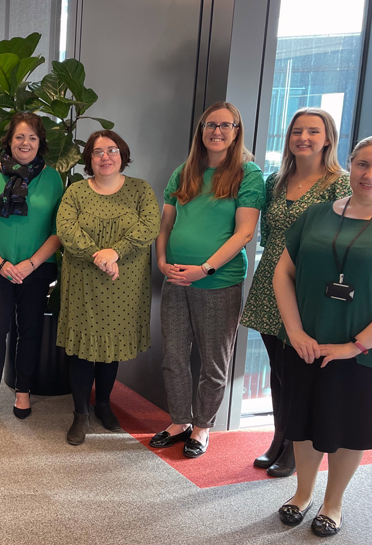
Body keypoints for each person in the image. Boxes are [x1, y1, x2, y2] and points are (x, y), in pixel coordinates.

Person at [272, 135, 372, 537]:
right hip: (306, 343)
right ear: (350, 164)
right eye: (363, 164)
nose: (370, 175)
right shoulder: (318, 214)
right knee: (303, 423)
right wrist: (294, 330)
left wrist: (354, 346)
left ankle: (333, 503)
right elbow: (283, 273)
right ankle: (302, 494)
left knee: (349, 428)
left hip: (364, 354)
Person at [149, 102, 264, 458]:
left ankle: (202, 427)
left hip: (218, 281)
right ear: (201, 130)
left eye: (225, 125)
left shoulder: (248, 174)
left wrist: (205, 269)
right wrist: (163, 260)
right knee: (173, 355)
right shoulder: (185, 171)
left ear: (236, 131)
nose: (216, 131)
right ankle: (180, 420)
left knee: (213, 360)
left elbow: (244, 233)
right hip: (176, 279)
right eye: (210, 125)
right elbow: (165, 224)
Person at [241, 108, 350, 477]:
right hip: (269, 283)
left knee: (299, 373)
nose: (303, 137)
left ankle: (296, 446)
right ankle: (280, 438)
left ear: (328, 139)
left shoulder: (340, 183)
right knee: (278, 370)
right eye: (297, 131)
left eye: (313, 131)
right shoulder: (275, 180)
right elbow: (269, 236)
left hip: (308, 290)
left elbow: (345, 240)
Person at [58, 130, 160, 443]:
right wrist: (97, 255)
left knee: (110, 347)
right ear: (89, 158)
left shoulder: (141, 190)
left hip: (125, 284)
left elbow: (150, 226)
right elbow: (65, 228)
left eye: (112, 150)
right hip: (83, 281)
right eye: (98, 151)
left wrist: (114, 252)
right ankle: (80, 414)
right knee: (82, 351)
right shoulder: (76, 192)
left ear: (122, 155)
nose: (106, 156)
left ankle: (103, 404)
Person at [0, 112, 63, 425]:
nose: (25, 143)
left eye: (32, 138)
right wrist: (2, 263)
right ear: (9, 140)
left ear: (40, 143)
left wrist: (30, 264)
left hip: (36, 270)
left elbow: (58, 229)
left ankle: (23, 390)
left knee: (30, 331)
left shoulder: (52, 178)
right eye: (20, 137)